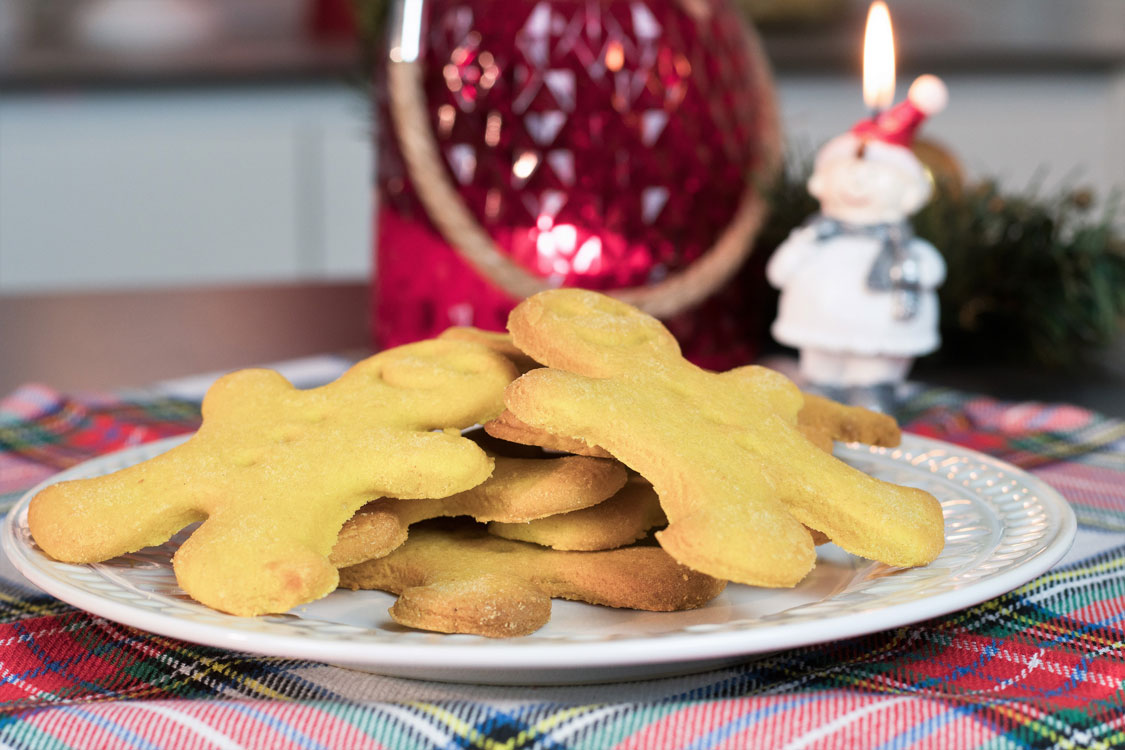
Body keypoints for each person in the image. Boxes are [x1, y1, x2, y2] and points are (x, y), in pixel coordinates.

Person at [767, 75, 948, 407]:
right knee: (820, 377)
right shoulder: (817, 235)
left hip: (883, 337)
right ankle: (822, 387)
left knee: (872, 372)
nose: (858, 186)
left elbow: (931, 270)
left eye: (873, 177)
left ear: (907, 192)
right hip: (819, 335)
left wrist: (917, 268)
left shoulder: (902, 249)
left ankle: (873, 387)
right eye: (848, 174)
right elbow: (779, 271)